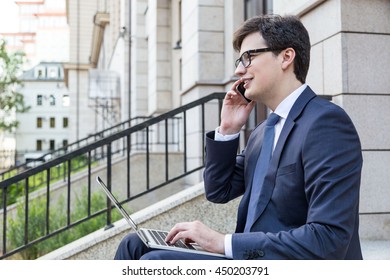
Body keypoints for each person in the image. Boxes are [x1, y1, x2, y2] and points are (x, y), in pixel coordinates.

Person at [114, 14, 363, 260]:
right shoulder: (263, 131)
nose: (238, 70)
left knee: (155, 264)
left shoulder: (326, 124)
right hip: (250, 260)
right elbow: (218, 190)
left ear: (286, 57)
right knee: (135, 244)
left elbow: (328, 238)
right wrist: (228, 129)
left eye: (248, 57)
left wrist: (223, 243)